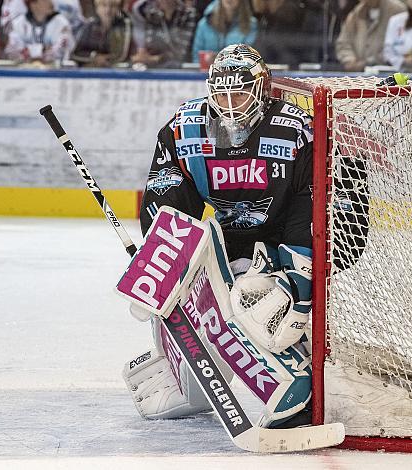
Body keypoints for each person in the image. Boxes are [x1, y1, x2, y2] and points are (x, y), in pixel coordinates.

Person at [124, 44, 316, 429]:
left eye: (240, 92)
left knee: (260, 302)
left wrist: (299, 269)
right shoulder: (185, 127)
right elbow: (168, 196)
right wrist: (161, 255)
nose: (231, 103)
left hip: (279, 238)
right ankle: (186, 378)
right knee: (181, 292)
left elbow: (307, 200)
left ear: (261, 90)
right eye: (222, 92)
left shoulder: (293, 129)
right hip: (228, 236)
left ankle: (293, 383)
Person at [334, 0, 406, 72]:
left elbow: (401, 44)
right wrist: (350, 60)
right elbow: (343, 43)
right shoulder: (356, 14)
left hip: (390, 73)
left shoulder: (397, 10)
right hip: (360, 75)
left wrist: (369, 62)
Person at [4, 0, 75, 64]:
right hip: (23, 74)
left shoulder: (62, 23)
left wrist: (28, 50)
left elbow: (60, 53)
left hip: (56, 75)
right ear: (32, 4)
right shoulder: (18, 23)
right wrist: (44, 49)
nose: (51, 3)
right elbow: (12, 52)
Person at [129, 0, 197, 67]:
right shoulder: (153, 14)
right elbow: (150, 45)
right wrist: (144, 56)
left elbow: (181, 52)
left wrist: (157, 58)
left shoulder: (188, 15)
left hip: (181, 67)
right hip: (155, 65)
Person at [71, 0, 132, 66]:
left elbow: (122, 55)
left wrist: (104, 59)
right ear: (97, 8)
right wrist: (94, 56)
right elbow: (76, 54)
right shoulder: (90, 25)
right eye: (103, 6)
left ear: (118, 9)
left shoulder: (123, 25)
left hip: (116, 69)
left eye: (113, 6)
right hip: (90, 68)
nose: (108, 10)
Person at [191, 0, 258, 60]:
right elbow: (197, 55)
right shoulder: (204, 24)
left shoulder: (252, 25)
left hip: (239, 72)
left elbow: (249, 56)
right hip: (206, 72)